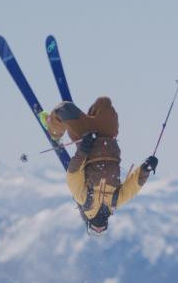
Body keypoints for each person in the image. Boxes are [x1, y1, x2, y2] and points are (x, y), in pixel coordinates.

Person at [41, 96, 157, 234]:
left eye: (96, 230)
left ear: (89, 224)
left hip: (87, 138)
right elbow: (134, 186)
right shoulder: (115, 201)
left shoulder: (84, 199)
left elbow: (73, 173)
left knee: (64, 109)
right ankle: (89, 118)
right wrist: (146, 169)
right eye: (102, 230)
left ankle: (54, 130)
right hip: (106, 137)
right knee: (104, 102)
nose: (100, 228)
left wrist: (83, 150)